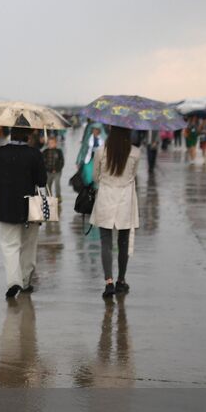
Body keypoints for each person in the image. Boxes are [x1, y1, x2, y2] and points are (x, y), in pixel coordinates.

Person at [0, 125, 47, 300]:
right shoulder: (35, 154)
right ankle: (26, 281)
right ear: (28, 136)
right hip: (31, 206)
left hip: (6, 205)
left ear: (11, 134)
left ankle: (13, 281)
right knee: (29, 245)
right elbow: (42, 180)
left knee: (10, 245)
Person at [92, 126, 140, 299]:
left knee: (105, 242)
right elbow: (133, 175)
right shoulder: (135, 152)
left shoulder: (100, 151)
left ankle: (108, 281)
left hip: (106, 197)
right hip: (125, 200)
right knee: (123, 242)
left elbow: (95, 177)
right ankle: (121, 280)